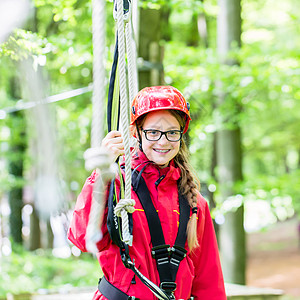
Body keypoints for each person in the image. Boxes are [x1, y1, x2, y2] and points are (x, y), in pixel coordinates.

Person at [68, 86, 226, 300]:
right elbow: (83, 238)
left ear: (181, 135)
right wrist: (100, 175)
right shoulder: (116, 188)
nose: (163, 141)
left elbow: (208, 281)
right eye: (153, 132)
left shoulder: (194, 202)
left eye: (172, 132)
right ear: (137, 133)